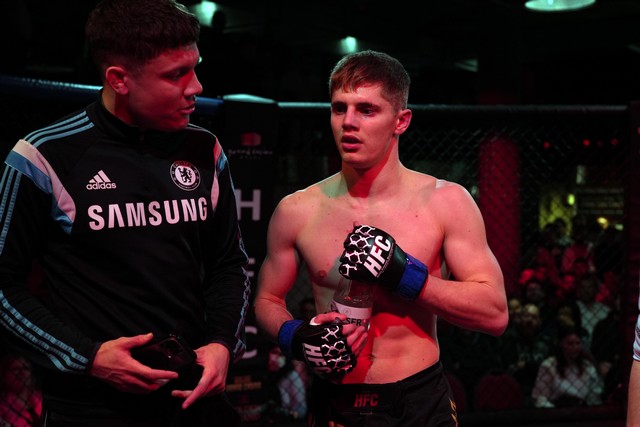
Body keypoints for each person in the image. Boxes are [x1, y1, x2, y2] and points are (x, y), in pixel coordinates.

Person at [0, 0, 251, 425]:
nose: (196, 87)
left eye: (194, 68)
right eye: (175, 74)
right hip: (88, 408)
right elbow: (3, 286)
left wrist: (223, 344)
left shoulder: (204, 148)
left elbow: (229, 263)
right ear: (119, 79)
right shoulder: (43, 155)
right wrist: (88, 357)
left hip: (190, 397)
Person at [254, 50, 507, 426]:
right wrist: (295, 336)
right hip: (335, 399)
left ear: (401, 121)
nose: (348, 122)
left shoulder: (447, 202)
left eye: (367, 110)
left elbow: (495, 313)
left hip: (419, 399)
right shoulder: (296, 210)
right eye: (339, 108)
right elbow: (266, 299)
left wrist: (406, 276)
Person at [531, 326, 603, 408]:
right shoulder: (549, 365)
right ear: (561, 344)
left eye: (578, 343)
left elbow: (594, 398)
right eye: (570, 344)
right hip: (556, 408)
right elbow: (540, 398)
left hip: (581, 409)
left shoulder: (587, 366)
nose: (575, 347)